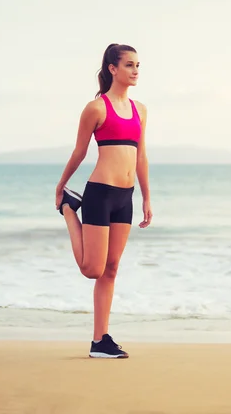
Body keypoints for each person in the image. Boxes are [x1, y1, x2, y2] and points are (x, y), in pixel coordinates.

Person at [55, 43, 152, 358]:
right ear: (112, 68)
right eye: (129, 65)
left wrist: (147, 197)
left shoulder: (141, 110)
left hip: (125, 196)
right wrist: (62, 185)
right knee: (92, 270)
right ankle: (70, 208)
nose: (135, 71)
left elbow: (141, 156)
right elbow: (80, 151)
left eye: (138, 65)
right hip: (100, 192)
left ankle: (101, 341)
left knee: (111, 269)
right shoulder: (97, 108)